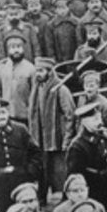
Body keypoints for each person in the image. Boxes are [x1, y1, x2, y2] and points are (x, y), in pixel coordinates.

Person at [28, 56, 75, 201]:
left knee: (59, 171)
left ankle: (64, 198)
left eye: (41, 71)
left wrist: (67, 138)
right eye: (37, 71)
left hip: (57, 138)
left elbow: (70, 115)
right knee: (42, 169)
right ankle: (41, 197)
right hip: (40, 137)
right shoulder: (36, 88)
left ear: (49, 71)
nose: (38, 74)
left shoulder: (60, 89)